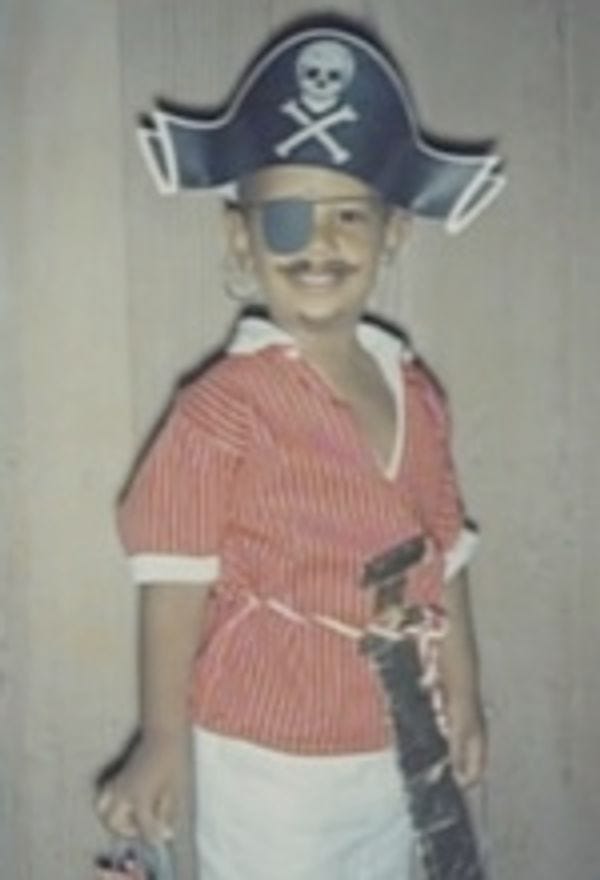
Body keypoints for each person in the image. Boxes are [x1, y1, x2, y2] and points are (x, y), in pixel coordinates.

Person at [95, 16, 504, 880]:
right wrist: (161, 736)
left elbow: (446, 560)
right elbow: (173, 581)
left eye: (349, 215)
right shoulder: (224, 408)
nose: (319, 243)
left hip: (395, 742)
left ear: (394, 233)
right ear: (240, 239)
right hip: (268, 756)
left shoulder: (418, 396)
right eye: (286, 219)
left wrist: (464, 693)